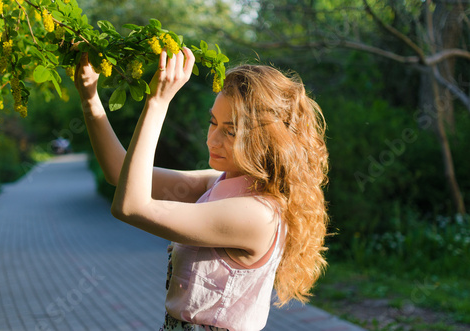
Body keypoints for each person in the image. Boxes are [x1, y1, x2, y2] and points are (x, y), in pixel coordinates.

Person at [75, 48, 329, 331]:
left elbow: (131, 207)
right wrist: (89, 97)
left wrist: (158, 103)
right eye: (213, 123)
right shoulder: (218, 183)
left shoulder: (258, 214)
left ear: (267, 139)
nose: (213, 140)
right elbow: (119, 172)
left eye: (231, 131)